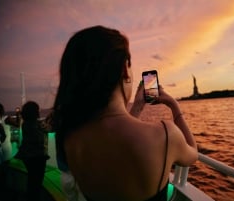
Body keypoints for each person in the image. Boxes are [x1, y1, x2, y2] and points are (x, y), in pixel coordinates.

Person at [52, 25, 198, 201]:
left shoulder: (71, 139)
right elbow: (192, 154)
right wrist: (174, 105)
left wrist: (136, 107)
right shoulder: (165, 135)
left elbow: (114, 135)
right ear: (124, 69)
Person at [16, 101, 49, 201]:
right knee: (36, 183)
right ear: (34, 112)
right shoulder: (34, 124)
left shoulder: (26, 124)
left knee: (31, 181)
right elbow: (38, 139)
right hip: (37, 158)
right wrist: (43, 129)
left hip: (28, 156)